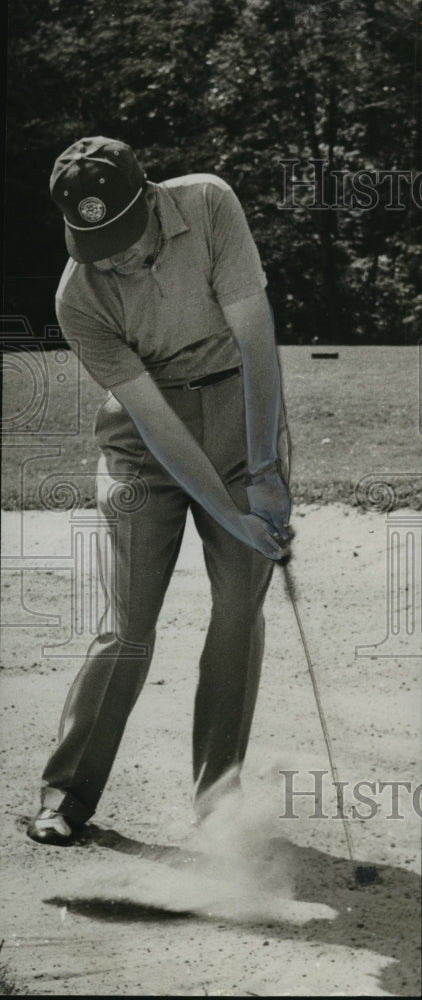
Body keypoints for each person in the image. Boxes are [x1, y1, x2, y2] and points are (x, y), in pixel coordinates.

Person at [27, 135, 292, 845]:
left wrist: (263, 472)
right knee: (131, 623)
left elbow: (257, 340)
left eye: (120, 236)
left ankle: (219, 810)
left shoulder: (208, 203)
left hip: (239, 416)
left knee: (239, 607)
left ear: (150, 197)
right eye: (94, 245)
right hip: (146, 446)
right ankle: (67, 794)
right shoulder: (77, 297)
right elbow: (154, 419)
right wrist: (230, 518)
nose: (113, 258)